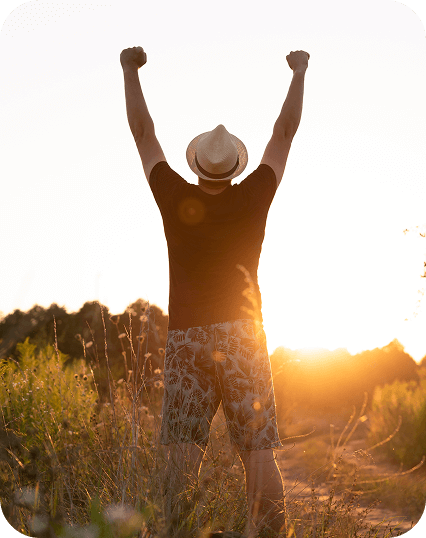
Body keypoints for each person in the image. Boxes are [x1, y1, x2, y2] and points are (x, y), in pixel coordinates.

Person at [120, 46, 309, 538]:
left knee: (183, 455)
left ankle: (180, 533)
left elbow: (143, 133)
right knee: (258, 451)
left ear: (198, 166)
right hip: (244, 334)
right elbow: (284, 133)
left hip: (187, 337)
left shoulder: (174, 195)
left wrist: (129, 70)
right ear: (234, 168)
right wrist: (299, 72)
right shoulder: (255, 195)